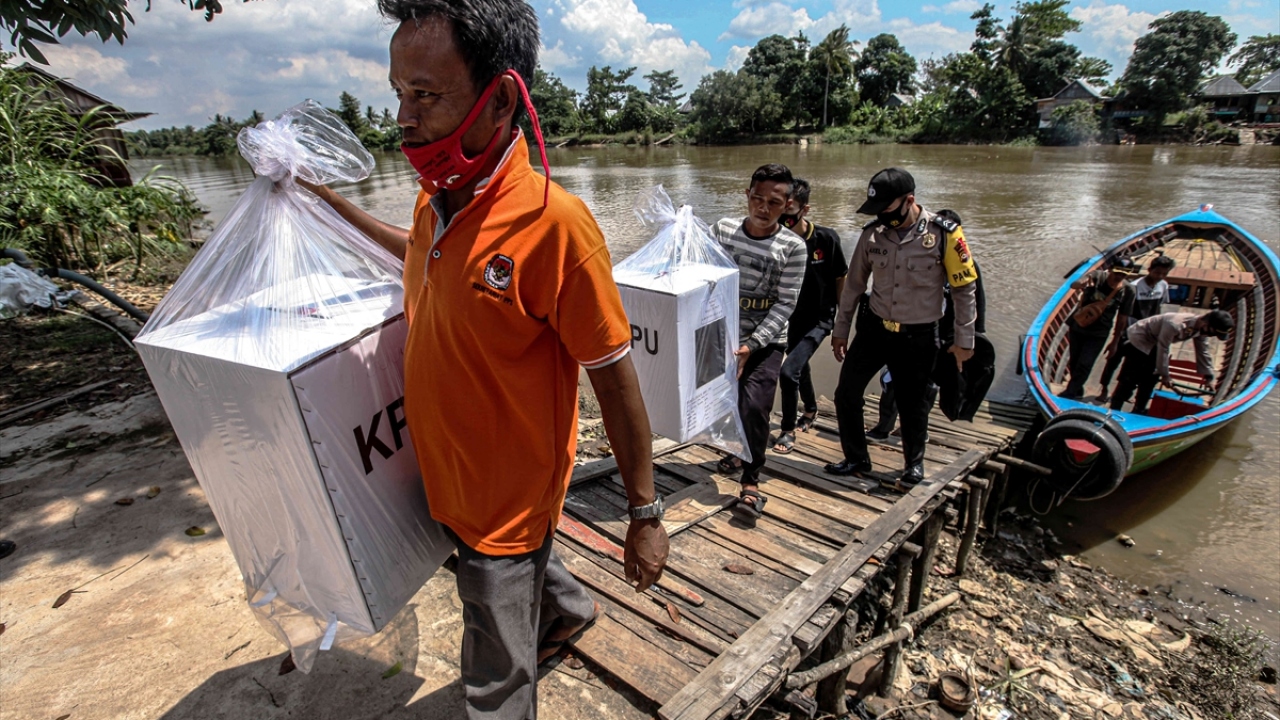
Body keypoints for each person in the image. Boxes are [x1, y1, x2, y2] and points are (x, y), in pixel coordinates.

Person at [300, 2, 668, 716]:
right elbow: (410, 251)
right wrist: (326, 204)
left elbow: (616, 381)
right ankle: (566, 609)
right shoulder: (435, 201)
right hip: (444, 474)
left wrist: (646, 513)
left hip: (506, 496)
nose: (403, 119)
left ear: (499, 98)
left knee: (493, 664)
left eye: (426, 96)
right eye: (399, 94)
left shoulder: (554, 226)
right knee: (511, 573)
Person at [825, 168, 979, 490]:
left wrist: (964, 340)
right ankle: (856, 458)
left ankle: (913, 464)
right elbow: (853, 286)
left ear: (910, 200)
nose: (882, 216)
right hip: (875, 329)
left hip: (919, 336)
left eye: (887, 209)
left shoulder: (944, 234)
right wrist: (841, 330)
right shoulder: (872, 234)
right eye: (877, 210)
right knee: (846, 393)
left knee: (912, 403)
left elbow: (965, 290)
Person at [711, 163, 807, 525]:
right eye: (757, 198)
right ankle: (737, 452)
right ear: (746, 196)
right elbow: (698, 267)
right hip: (724, 333)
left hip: (766, 341)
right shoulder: (721, 230)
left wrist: (752, 345)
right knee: (727, 402)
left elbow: (785, 304)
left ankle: (751, 481)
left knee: (755, 406)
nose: (763, 208)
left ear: (788, 206)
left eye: (774, 202)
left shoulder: (793, 247)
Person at [770, 178, 847, 454]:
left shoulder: (826, 240)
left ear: (805, 210)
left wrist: (842, 323)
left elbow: (841, 278)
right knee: (799, 365)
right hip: (787, 317)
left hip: (819, 319)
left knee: (789, 371)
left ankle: (788, 430)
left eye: (789, 213)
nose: (784, 220)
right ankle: (811, 409)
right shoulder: (776, 239)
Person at [1109, 310, 1233, 414]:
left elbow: (1203, 351)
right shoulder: (1175, 324)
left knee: (1149, 381)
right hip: (1140, 340)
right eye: (1212, 332)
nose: (1210, 335)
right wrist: (1166, 375)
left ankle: (1138, 410)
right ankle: (1115, 409)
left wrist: (1208, 376)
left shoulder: (1200, 329)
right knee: (1130, 379)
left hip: (1155, 345)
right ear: (1205, 322)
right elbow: (1163, 348)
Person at [1097, 254, 1174, 401]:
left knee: (1134, 366)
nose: (1160, 276)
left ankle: (1121, 393)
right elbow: (1125, 312)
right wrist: (1118, 336)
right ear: (1149, 270)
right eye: (1157, 272)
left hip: (1147, 334)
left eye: (1164, 274)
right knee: (1113, 361)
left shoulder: (1163, 285)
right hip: (1129, 331)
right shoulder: (1135, 286)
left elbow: (1160, 308)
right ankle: (1104, 388)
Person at [1062, 256, 1137, 400]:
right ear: (1110, 270)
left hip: (1099, 333)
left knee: (1085, 363)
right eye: (1117, 273)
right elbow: (1075, 284)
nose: (1119, 277)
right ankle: (1077, 388)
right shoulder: (1097, 277)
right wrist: (1081, 283)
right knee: (1075, 361)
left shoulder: (1128, 290)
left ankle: (1069, 394)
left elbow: (1122, 318)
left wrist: (1115, 341)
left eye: (1124, 274)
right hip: (1078, 326)